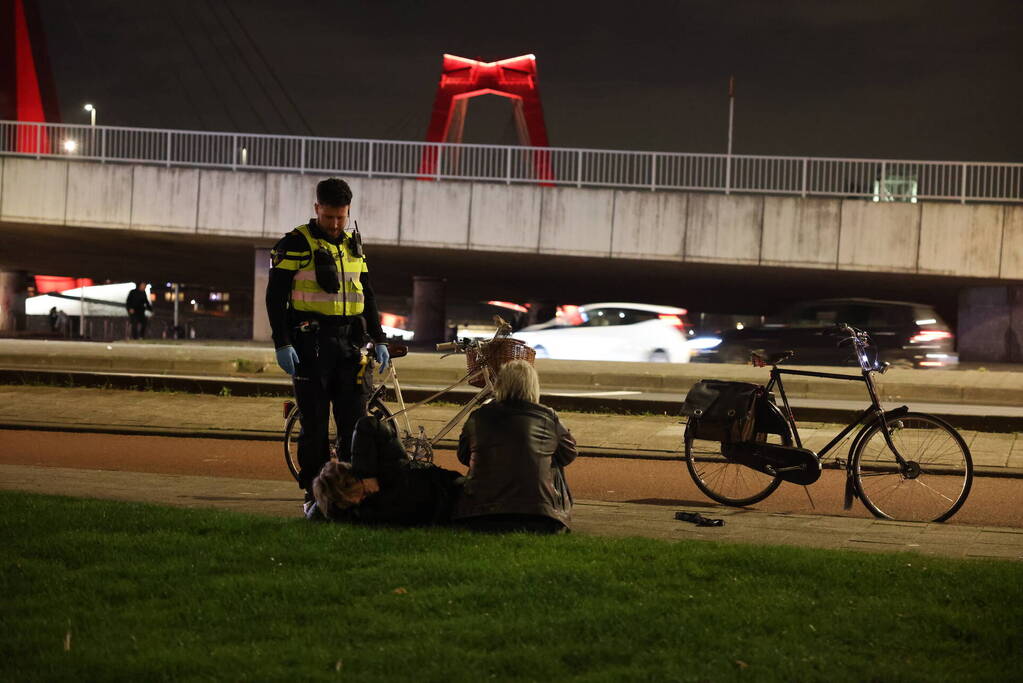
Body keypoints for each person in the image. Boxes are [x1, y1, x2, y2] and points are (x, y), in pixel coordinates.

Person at [265, 177, 390, 515]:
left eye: (341, 217)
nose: (335, 224)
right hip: (312, 345)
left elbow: (369, 294)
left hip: (350, 344)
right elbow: (275, 297)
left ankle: (351, 494)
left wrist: (378, 337)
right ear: (316, 208)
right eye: (329, 217)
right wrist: (282, 342)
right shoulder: (295, 244)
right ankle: (315, 496)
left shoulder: (353, 244)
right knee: (315, 426)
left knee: (355, 424)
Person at [453, 360, 577, 534]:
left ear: (500, 384)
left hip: (480, 515)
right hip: (540, 517)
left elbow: (464, 455)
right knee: (552, 461)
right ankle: (552, 508)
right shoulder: (547, 416)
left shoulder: (478, 416)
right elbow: (569, 454)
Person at [310, 416, 462, 526]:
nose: (358, 501)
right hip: (445, 504)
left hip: (447, 488)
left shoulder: (383, 465)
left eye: (356, 495)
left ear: (354, 479)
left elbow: (367, 425)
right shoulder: (363, 510)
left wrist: (367, 475)